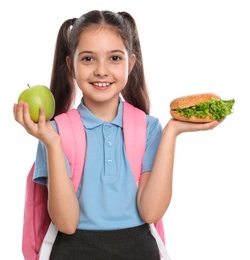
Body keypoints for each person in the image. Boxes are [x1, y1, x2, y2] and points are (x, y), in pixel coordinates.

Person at [13, 10, 223, 260]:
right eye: (88, 59)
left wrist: (171, 131)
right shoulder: (55, 131)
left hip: (138, 250)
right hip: (74, 251)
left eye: (114, 58)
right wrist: (52, 144)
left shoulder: (149, 128)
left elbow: (150, 212)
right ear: (71, 66)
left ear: (130, 63)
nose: (101, 71)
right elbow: (67, 224)